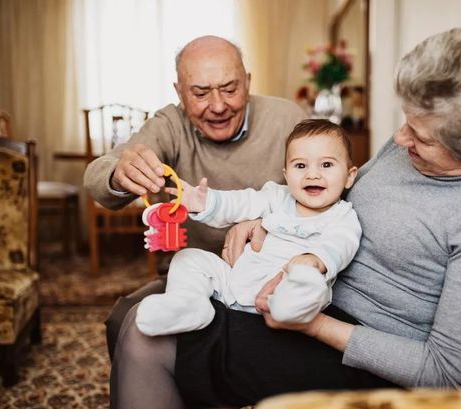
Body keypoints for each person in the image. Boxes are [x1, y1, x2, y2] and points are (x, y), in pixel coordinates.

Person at [110, 24, 461, 409]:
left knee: (148, 340)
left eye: (421, 136)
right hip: (305, 290)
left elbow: (446, 372)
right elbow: (336, 203)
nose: (399, 138)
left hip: (357, 349)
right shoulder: (409, 148)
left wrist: (316, 325)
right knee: (142, 312)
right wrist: (268, 221)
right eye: (407, 121)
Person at [83, 36, 307, 358]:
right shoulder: (170, 124)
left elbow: (331, 189)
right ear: (179, 93)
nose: (217, 106)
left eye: (230, 89)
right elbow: (97, 173)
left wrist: (270, 222)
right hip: (192, 277)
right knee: (124, 322)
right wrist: (120, 173)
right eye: (200, 93)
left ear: (247, 82)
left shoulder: (288, 119)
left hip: (273, 273)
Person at [136, 119, 360, 336]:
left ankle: (289, 308)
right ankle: (189, 305)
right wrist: (205, 202)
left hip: (285, 289)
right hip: (235, 282)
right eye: (300, 165)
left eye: (327, 165)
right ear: (286, 174)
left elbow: (341, 244)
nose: (312, 174)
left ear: (349, 176)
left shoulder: (343, 216)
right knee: (189, 259)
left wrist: (314, 259)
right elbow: (241, 202)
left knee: (309, 284)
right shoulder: (276, 196)